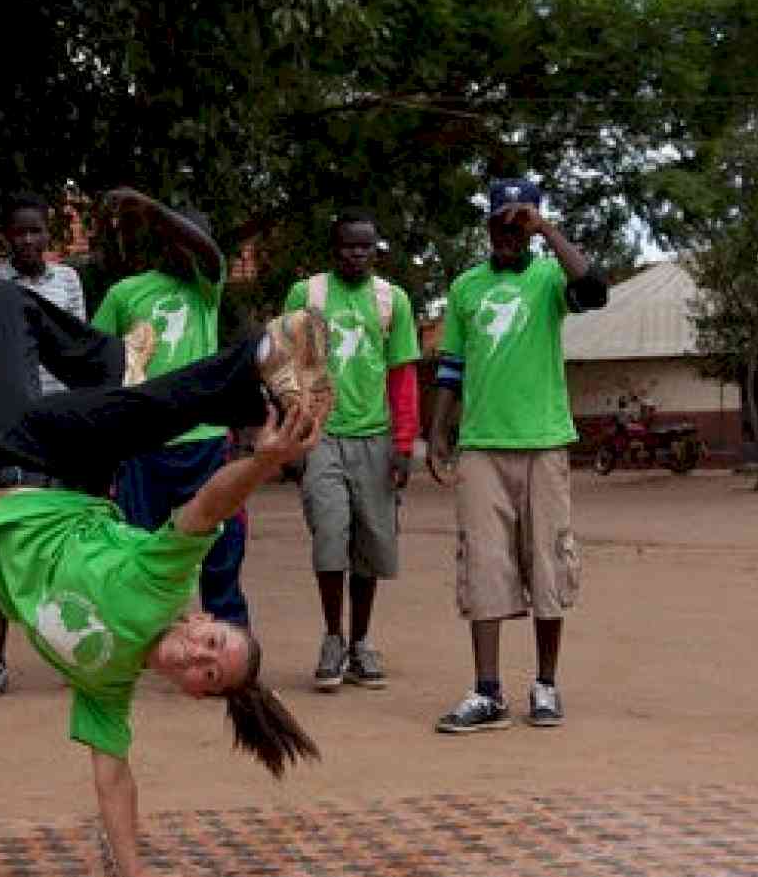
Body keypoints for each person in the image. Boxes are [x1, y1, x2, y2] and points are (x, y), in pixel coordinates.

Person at [0, 211, 328, 877]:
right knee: (151, 409)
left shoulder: (108, 689)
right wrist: (263, 461)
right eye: (214, 644)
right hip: (39, 454)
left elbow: (113, 775)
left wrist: (135, 875)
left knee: (2, 299)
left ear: (194, 692)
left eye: (208, 676)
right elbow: (208, 506)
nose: (199, 659)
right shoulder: (161, 586)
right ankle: (255, 366)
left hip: (5, 461)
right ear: (199, 621)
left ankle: (111, 364)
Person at [426, 178, 609, 734]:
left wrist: (546, 229)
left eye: (518, 221)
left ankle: (545, 685)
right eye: (499, 221)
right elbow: (452, 365)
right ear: (485, 226)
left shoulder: (551, 278)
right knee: (483, 563)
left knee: (547, 560)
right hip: (481, 446)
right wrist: (438, 430)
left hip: (545, 442)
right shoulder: (464, 288)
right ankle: (487, 692)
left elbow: (596, 290)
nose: (508, 231)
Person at [91, 192, 250, 626]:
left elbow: (211, 254)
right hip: (143, 445)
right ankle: (138, 642)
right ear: (162, 240)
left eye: (196, 238)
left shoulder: (206, 288)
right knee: (139, 550)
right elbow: (99, 366)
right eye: (178, 236)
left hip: (205, 444)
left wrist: (151, 208)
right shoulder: (125, 293)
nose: (189, 247)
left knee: (221, 548)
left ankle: (233, 644)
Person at [283, 209, 421, 692]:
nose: (356, 254)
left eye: (365, 246)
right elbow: (291, 370)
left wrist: (404, 444)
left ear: (375, 249)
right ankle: (333, 638)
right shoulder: (308, 294)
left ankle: (362, 642)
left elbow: (403, 375)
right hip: (321, 435)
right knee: (329, 534)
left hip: (376, 437)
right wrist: (294, 437)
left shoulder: (392, 299)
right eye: (347, 246)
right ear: (332, 249)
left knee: (371, 542)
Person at [0, 191, 92, 701]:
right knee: (4, 539)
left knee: (64, 541)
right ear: (7, 237)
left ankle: (70, 653)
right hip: (7, 428)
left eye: (37, 231)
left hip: (59, 424)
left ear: (48, 236)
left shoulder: (68, 281)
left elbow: (79, 349)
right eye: (19, 232)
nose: (28, 240)